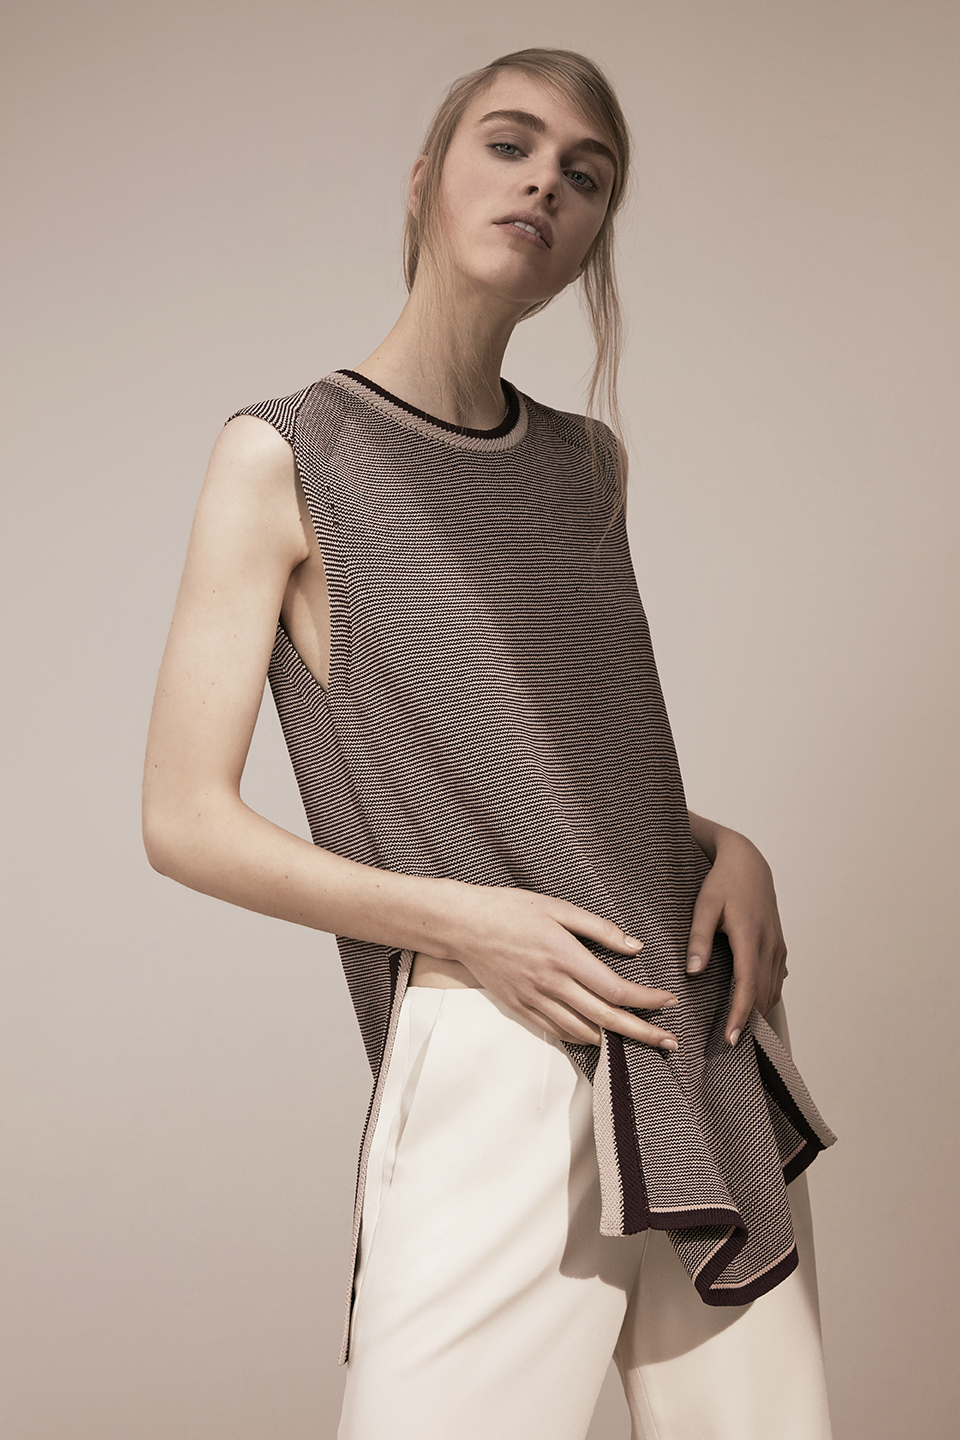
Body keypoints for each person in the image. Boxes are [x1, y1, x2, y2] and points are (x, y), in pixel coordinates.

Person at [142, 46, 836, 1440]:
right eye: (509, 145)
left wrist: (726, 845)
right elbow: (183, 821)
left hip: (701, 1031)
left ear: (591, 240)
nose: (544, 186)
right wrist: (469, 924)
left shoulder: (588, 466)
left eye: (587, 176)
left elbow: (560, 767)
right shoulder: (286, 455)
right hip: (501, 1028)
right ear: (425, 180)